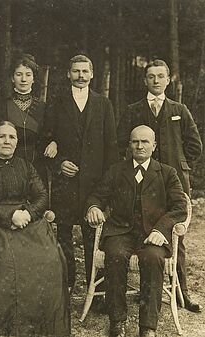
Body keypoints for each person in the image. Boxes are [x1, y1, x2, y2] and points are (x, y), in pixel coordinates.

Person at [0, 121, 70, 337]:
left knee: (50, 257)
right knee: (4, 261)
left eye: (12, 137)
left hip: (27, 220)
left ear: (17, 142)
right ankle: (5, 325)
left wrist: (27, 213)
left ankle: (38, 322)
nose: (7, 141)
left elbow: (42, 196)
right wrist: (10, 216)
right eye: (1, 136)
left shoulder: (26, 166)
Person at [86, 125, 187, 337]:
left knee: (152, 258)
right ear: (130, 144)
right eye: (135, 142)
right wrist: (93, 207)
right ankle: (117, 321)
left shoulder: (167, 173)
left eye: (145, 142)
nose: (139, 146)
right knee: (115, 256)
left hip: (153, 235)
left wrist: (161, 230)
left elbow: (180, 207)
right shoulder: (116, 171)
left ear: (154, 146)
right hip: (121, 232)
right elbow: (97, 196)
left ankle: (148, 327)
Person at [118, 59, 202, 312]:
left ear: (168, 80)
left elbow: (194, 145)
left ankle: (181, 293)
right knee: (141, 228)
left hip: (172, 182)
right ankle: (146, 291)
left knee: (177, 236)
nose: (156, 81)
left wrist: (179, 167)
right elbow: (122, 142)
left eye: (160, 76)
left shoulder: (179, 109)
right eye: (151, 76)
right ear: (145, 80)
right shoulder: (133, 109)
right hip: (141, 182)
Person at [45, 54, 118, 294]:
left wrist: (107, 185)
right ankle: (66, 285)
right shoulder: (56, 102)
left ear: (92, 74)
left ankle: (94, 288)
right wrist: (59, 163)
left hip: (94, 185)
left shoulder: (103, 104)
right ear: (68, 74)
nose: (80, 76)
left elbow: (111, 147)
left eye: (85, 71)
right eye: (76, 71)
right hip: (65, 183)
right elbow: (45, 142)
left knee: (93, 235)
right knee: (64, 231)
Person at [0, 52, 57, 185]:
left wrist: (54, 143)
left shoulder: (43, 108)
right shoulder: (1, 106)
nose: (23, 79)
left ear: (34, 79)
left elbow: (51, 136)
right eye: (19, 74)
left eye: (28, 75)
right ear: (12, 78)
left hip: (36, 168)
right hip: (5, 167)